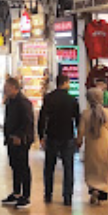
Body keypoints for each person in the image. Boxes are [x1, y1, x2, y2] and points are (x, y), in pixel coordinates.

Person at [77, 87, 108, 205]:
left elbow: (81, 131)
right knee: (105, 170)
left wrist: (79, 142)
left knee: (92, 170)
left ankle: (93, 189)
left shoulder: (85, 114)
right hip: (105, 146)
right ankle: (102, 194)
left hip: (91, 146)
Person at [38, 74, 80, 206]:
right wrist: (79, 136)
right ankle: (67, 196)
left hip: (52, 136)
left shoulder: (49, 98)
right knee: (68, 167)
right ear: (66, 83)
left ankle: (48, 194)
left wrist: (41, 135)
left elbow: (42, 118)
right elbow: (78, 120)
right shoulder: (72, 100)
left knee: (49, 166)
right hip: (67, 136)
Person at [2, 77, 35, 209]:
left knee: (23, 166)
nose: (5, 89)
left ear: (14, 88)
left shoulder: (23, 102)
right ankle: (16, 193)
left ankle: (26, 196)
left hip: (21, 140)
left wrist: (20, 136)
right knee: (14, 165)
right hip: (11, 139)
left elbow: (28, 122)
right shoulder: (10, 101)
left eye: (7, 87)